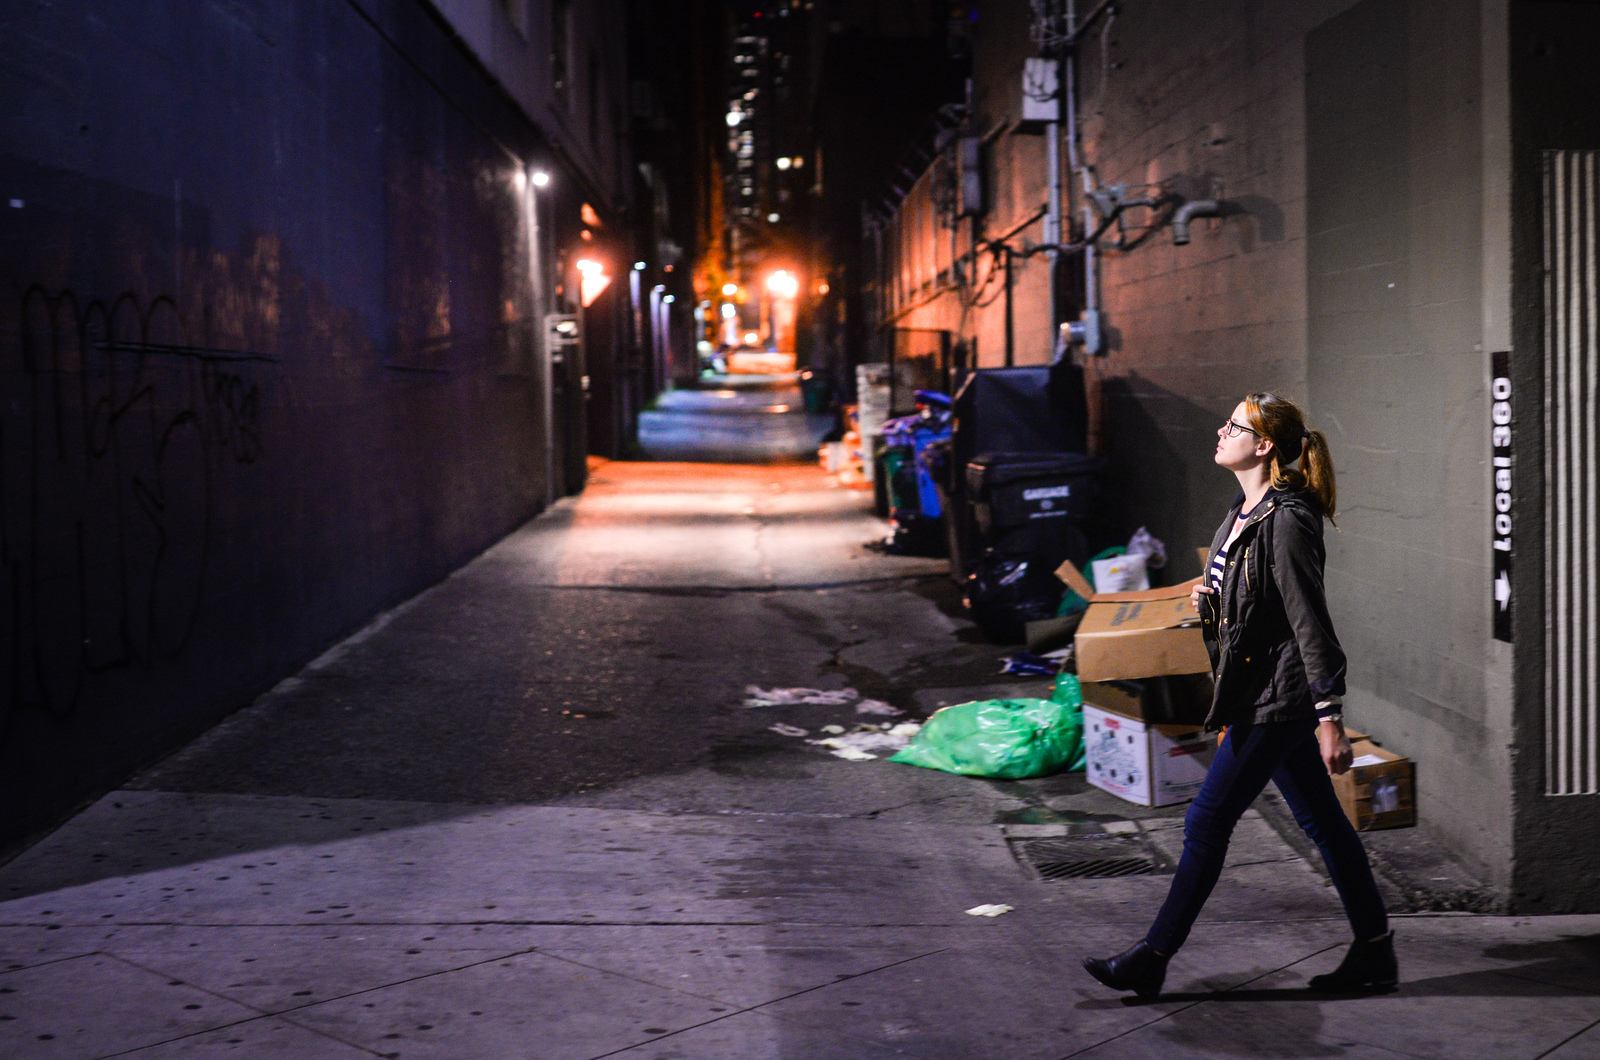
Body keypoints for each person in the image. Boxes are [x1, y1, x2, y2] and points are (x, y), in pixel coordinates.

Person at [1081, 392, 1396, 999]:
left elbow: (1310, 624)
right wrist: (1213, 599)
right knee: (1325, 824)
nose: (1221, 432)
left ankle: (1153, 956)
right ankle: (1376, 953)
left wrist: (1330, 716)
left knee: (1205, 822)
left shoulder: (1287, 519)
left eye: (1235, 426)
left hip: (1275, 699)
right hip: (1254, 690)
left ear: (1265, 445)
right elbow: (1254, 600)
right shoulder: (1242, 511)